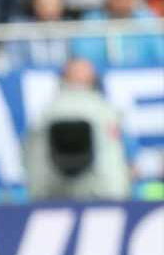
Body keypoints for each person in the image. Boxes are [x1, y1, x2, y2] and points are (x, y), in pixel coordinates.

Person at [23, 58, 132, 202]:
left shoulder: (45, 113)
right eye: (79, 71)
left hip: (50, 196)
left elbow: (28, 155)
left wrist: (37, 194)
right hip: (104, 193)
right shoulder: (105, 112)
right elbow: (121, 159)